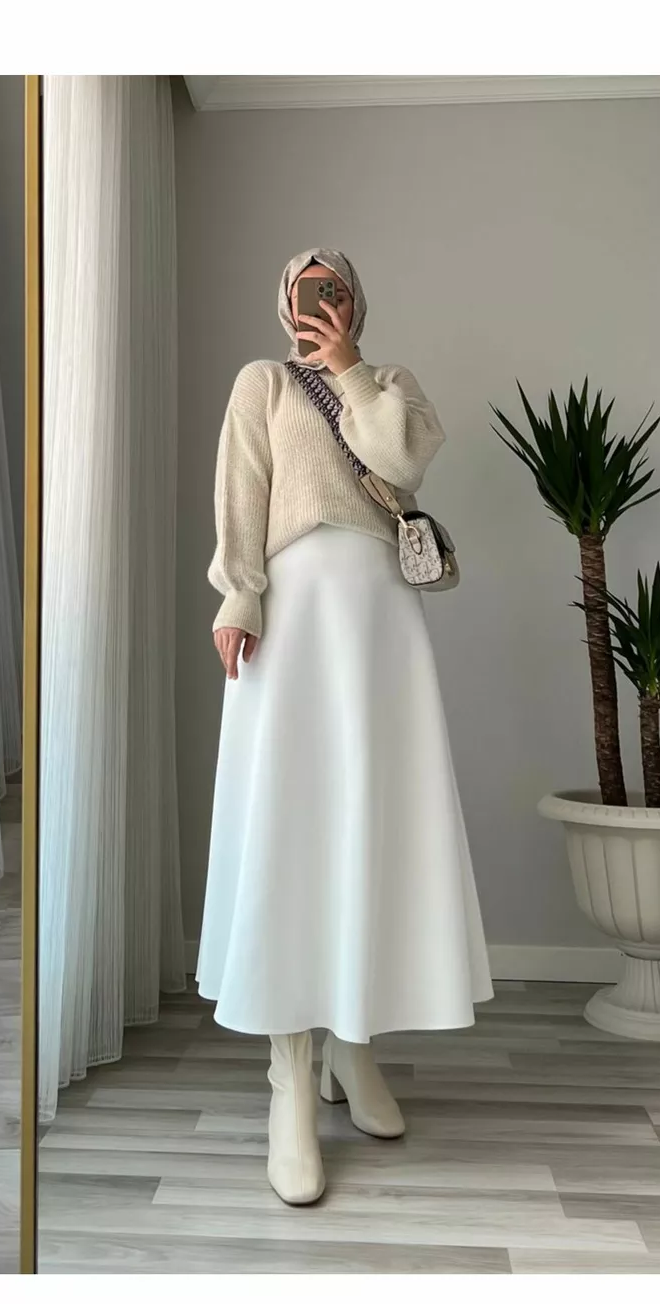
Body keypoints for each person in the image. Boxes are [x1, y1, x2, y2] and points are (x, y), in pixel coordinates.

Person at [197, 248, 492, 1205]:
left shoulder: (392, 387)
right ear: (284, 301)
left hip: (379, 628)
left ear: (355, 303)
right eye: (304, 290)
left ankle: (352, 1049)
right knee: (291, 829)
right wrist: (239, 595)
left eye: (333, 291)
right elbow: (241, 494)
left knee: (371, 826)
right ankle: (291, 1075)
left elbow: (401, 462)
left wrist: (352, 369)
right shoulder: (262, 382)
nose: (317, 304)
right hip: (293, 621)